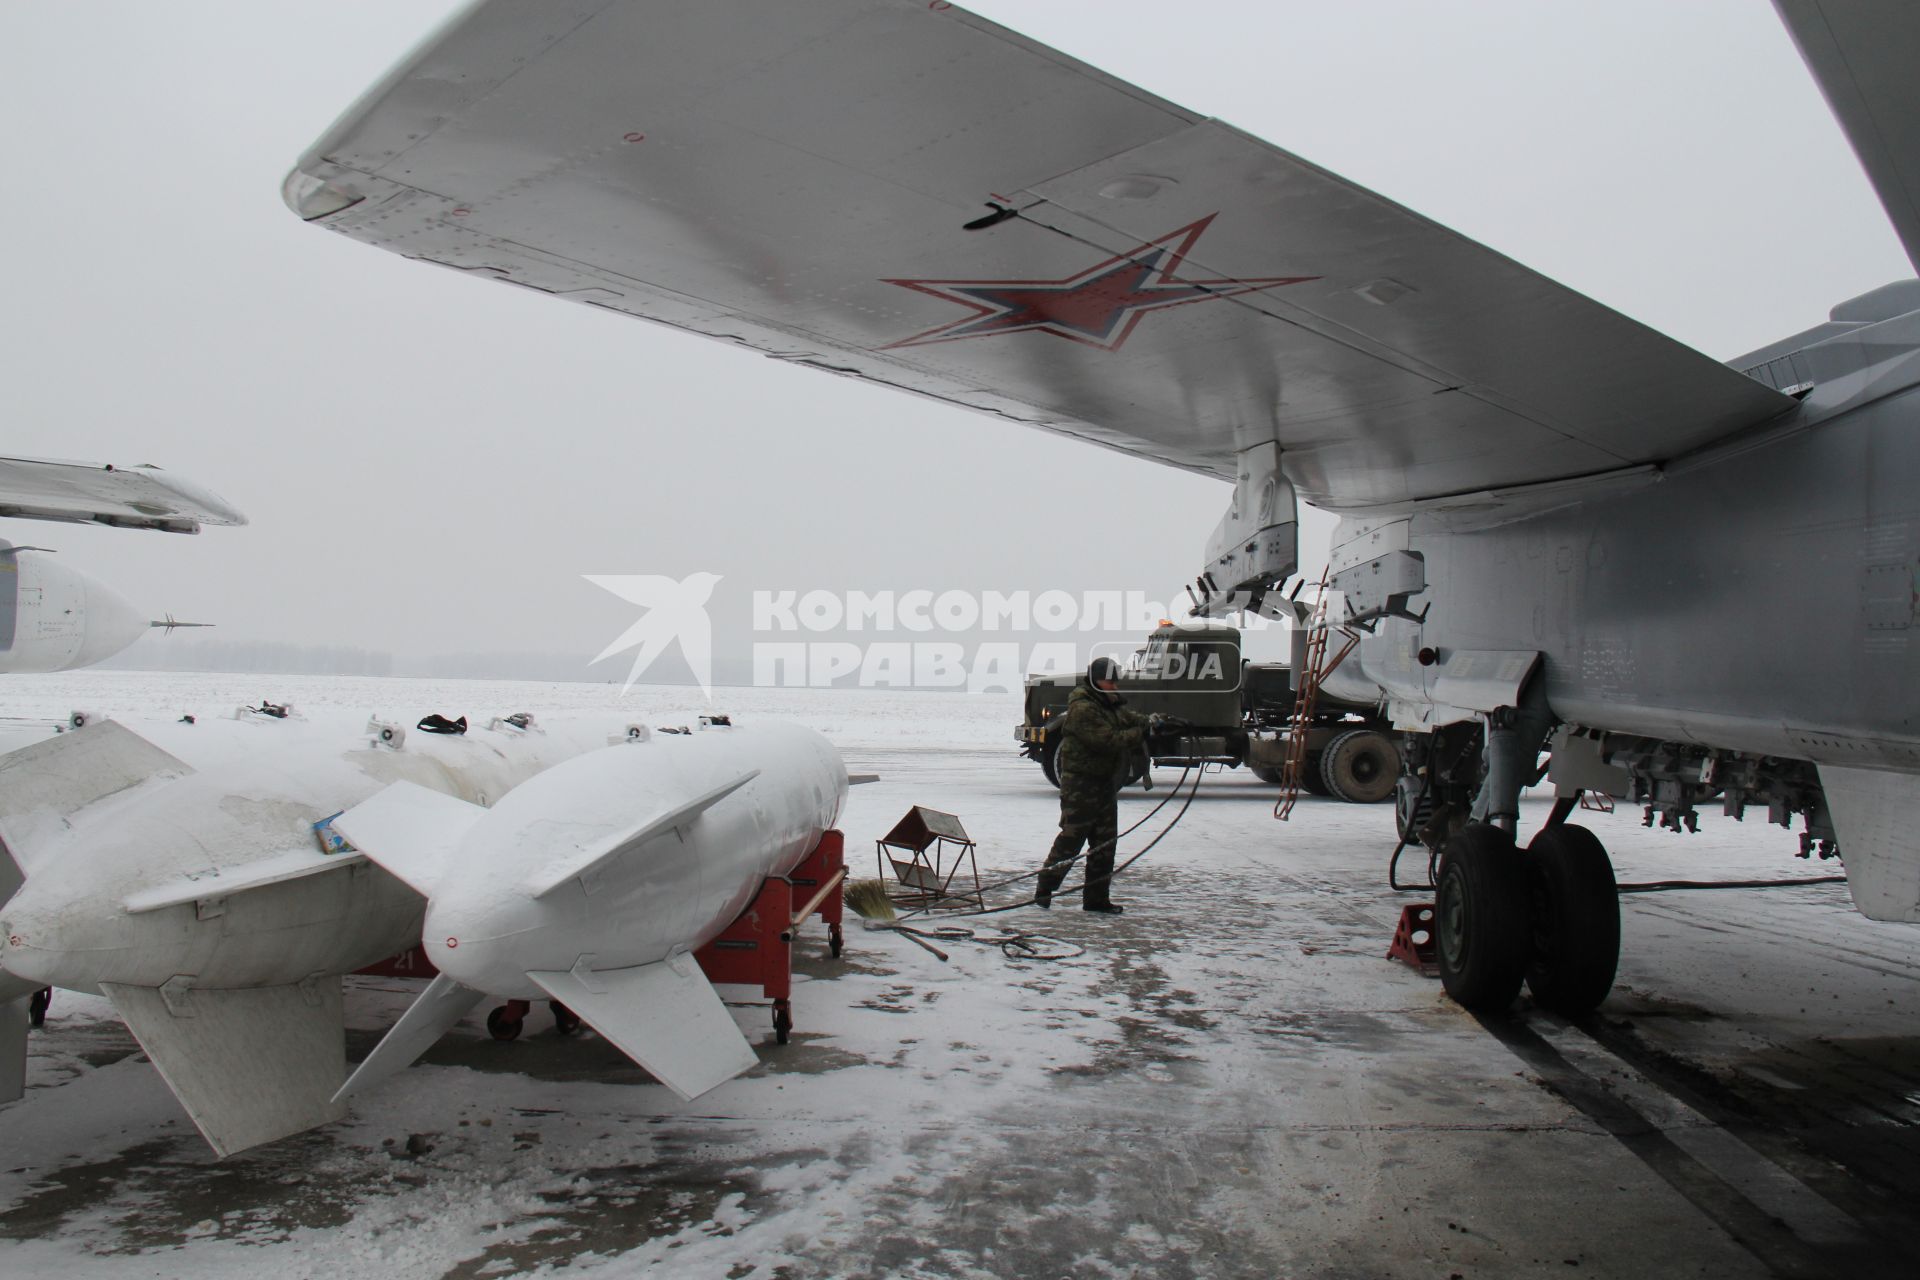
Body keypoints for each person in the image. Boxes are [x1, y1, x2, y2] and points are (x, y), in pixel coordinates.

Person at [1036, 655, 1154, 914]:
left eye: (1114, 681)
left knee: (1104, 843)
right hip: (1081, 785)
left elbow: (1127, 717)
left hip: (1103, 784)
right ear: (1095, 680)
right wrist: (1140, 734)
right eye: (1108, 681)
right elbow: (1108, 740)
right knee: (1072, 838)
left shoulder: (1106, 702)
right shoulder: (1083, 708)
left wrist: (1154, 722)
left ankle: (1096, 900)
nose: (1113, 685)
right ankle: (1045, 887)